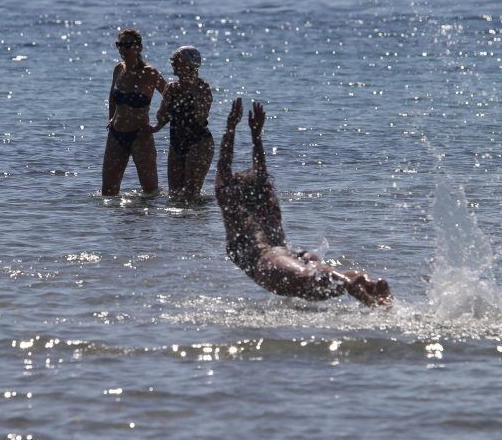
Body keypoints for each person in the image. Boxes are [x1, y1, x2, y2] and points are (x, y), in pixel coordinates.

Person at [215, 98, 392, 306]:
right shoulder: (268, 205)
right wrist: (256, 137)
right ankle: (370, 288)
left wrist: (230, 128)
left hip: (269, 263)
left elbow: (223, 168)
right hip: (295, 255)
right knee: (331, 285)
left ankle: (359, 288)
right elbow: (259, 173)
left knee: (337, 285)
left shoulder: (237, 211)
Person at [101, 28, 167, 196]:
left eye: (128, 45)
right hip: (116, 135)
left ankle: (146, 222)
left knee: (150, 191)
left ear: (139, 48)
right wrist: (111, 119)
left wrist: (159, 124)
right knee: (108, 191)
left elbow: (171, 96)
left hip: (140, 135)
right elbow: (112, 99)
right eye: (120, 45)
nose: (123, 49)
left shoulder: (149, 73)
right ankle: (109, 222)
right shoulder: (118, 70)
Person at [149, 46, 214, 200]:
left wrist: (194, 92)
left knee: (191, 196)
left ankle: (196, 220)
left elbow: (200, 117)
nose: (174, 67)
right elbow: (162, 116)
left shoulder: (203, 88)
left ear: (192, 65)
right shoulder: (172, 87)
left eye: (178, 63)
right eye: (174, 62)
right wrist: (153, 127)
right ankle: (178, 225)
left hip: (199, 143)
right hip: (176, 143)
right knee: (174, 196)